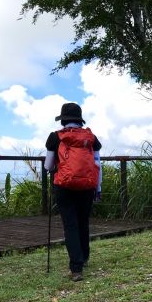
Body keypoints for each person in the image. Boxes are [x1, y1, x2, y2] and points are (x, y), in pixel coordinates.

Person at [44, 102, 102, 281]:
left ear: (63, 120)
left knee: (70, 225)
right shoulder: (91, 138)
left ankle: (76, 268)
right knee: (83, 222)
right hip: (87, 186)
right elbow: (97, 164)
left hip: (64, 186)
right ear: (80, 119)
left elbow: (47, 165)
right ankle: (84, 258)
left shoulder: (55, 138)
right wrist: (97, 188)